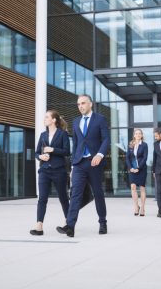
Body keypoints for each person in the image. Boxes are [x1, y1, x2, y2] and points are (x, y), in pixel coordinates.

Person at [57, 94, 110, 237]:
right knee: (75, 195)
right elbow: (76, 143)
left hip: (95, 162)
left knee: (98, 193)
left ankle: (102, 222)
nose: (81, 106)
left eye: (83, 103)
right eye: (78, 104)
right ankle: (70, 226)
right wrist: (73, 163)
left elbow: (106, 139)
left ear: (90, 104)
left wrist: (99, 155)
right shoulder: (75, 121)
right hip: (79, 163)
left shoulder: (100, 119)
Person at [30, 110, 70, 236]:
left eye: (47, 117)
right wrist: (40, 157)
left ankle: (69, 222)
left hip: (59, 171)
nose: (45, 119)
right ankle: (39, 226)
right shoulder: (42, 135)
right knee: (42, 198)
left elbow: (67, 151)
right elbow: (36, 153)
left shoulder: (63, 134)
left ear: (54, 120)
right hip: (45, 171)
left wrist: (53, 149)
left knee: (63, 198)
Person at [126, 128, 148, 216]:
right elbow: (127, 157)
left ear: (142, 135)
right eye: (136, 133)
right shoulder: (130, 144)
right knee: (133, 187)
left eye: (140, 133)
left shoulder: (144, 145)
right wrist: (130, 168)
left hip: (141, 169)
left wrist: (138, 168)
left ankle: (142, 208)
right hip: (132, 169)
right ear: (134, 135)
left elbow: (145, 158)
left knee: (142, 188)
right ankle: (136, 207)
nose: (138, 135)